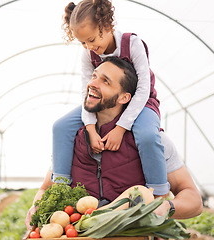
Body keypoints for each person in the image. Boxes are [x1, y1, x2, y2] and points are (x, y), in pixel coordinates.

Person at [25, 57, 203, 231]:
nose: (92, 83)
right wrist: (36, 206)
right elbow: (45, 188)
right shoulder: (70, 139)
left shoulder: (152, 142)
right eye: (94, 76)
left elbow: (194, 200)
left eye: (105, 81)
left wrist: (167, 207)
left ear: (124, 98)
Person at [52, 0, 169, 197]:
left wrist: (121, 128)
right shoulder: (88, 54)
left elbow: (143, 88)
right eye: (83, 43)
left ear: (106, 26)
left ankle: (158, 192)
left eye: (91, 39)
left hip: (141, 102)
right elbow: (86, 92)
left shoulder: (132, 44)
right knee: (61, 127)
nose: (89, 47)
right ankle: (60, 185)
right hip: (101, 104)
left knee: (148, 135)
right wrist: (90, 128)